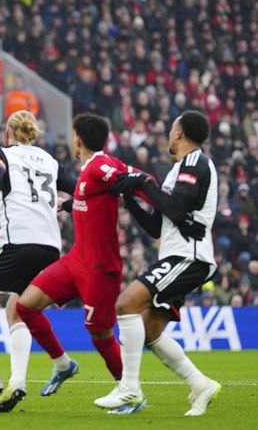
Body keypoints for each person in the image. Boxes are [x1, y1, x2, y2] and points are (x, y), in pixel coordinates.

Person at [13, 114, 204, 400]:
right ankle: (63, 365)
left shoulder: (100, 165)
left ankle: (128, 389)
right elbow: (102, 191)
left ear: (77, 139)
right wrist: (67, 204)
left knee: (99, 333)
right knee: (25, 305)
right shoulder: (94, 166)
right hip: (76, 259)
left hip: (99, 267)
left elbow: (139, 181)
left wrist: (170, 211)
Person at [95, 111, 220, 416]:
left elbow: (176, 210)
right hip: (178, 256)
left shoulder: (194, 163)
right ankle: (200, 384)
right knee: (150, 329)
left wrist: (144, 182)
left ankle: (129, 388)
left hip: (188, 258)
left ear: (179, 132)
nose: (168, 134)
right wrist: (130, 196)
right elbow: (156, 225)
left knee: (125, 304)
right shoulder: (179, 169)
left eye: (171, 128)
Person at [0, 110, 76, 412]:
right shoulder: (49, 160)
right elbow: (82, 189)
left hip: (18, 242)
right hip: (50, 246)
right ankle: (18, 382)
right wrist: (68, 204)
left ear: (8, 134)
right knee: (17, 311)